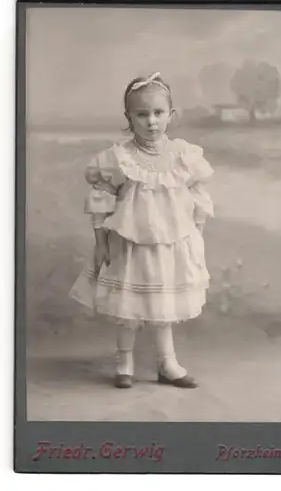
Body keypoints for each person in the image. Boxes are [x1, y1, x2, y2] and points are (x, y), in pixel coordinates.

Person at [69, 72, 214, 389]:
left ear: (171, 115)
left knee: (163, 304)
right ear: (128, 118)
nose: (151, 121)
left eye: (158, 113)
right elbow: (101, 199)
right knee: (128, 304)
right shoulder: (120, 158)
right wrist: (101, 242)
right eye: (142, 114)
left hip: (169, 245)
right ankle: (125, 361)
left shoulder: (182, 155)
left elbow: (198, 198)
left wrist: (196, 236)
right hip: (129, 244)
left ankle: (167, 362)